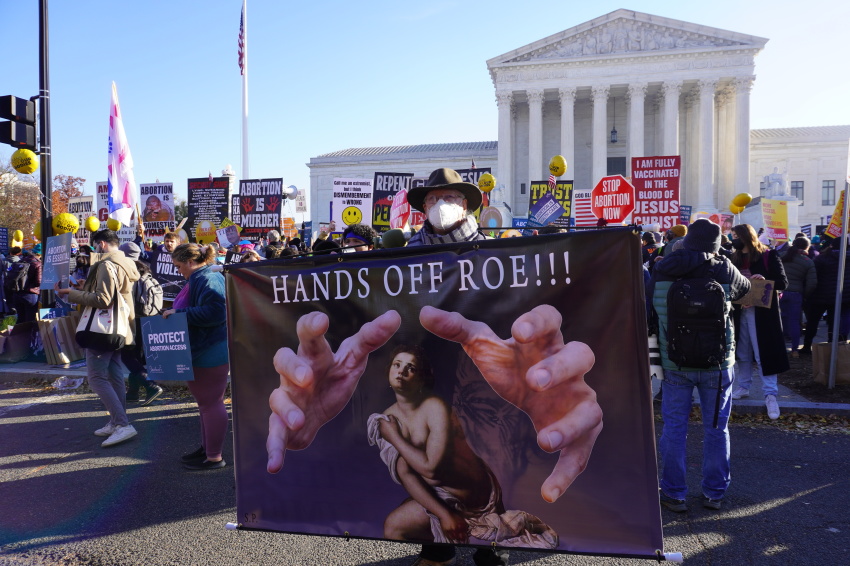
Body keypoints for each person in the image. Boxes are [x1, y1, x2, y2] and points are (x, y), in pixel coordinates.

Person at [268, 168, 603, 566]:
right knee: (434, 505)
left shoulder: (497, 255)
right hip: (427, 379)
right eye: (432, 199)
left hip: (487, 388)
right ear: (423, 207)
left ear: (468, 204)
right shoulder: (400, 258)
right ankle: (442, 546)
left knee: (481, 496)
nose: (441, 206)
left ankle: (487, 550)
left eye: (452, 198)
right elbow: (363, 310)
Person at [369, 345, 557, 551]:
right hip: (442, 494)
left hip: (473, 496)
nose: (401, 371)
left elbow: (430, 468)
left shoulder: (433, 408)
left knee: (396, 526)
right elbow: (407, 475)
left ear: (421, 378)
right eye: (397, 365)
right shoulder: (387, 419)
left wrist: (394, 437)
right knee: (396, 526)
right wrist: (443, 513)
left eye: (410, 367)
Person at [649, 219, 750, 512]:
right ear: (716, 245)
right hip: (718, 364)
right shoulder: (724, 269)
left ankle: (674, 493)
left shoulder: (663, 268)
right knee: (717, 429)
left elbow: (648, 308)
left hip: (674, 362)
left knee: (674, 428)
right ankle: (714, 493)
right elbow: (744, 291)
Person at [55, 229, 140, 447]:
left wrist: (70, 294)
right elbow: (111, 292)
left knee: (96, 377)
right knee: (114, 375)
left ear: (101, 244)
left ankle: (122, 424)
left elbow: (103, 299)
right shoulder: (125, 262)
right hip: (118, 327)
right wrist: (83, 289)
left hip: (102, 330)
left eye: (95, 246)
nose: (94, 250)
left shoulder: (105, 265)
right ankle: (117, 422)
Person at [162, 243, 229, 471]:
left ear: (191, 262)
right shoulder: (202, 275)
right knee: (206, 404)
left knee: (210, 404)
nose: (178, 271)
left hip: (210, 350)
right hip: (205, 348)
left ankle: (214, 457)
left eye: (179, 266)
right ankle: (208, 448)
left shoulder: (207, 278)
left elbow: (217, 311)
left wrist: (179, 313)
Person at [729, 224, 789, 420]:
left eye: (736, 235)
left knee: (765, 352)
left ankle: (770, 394)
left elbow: (782, 282)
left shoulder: (768, 255)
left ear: (747, 236)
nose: (733, 238)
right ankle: (743, 386)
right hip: (739, 312)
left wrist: (763, 280)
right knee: (742, 351)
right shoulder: (733, 257)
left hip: (763, 313)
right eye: (732, 235)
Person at [118, 241, 164, 405]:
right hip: (145, 320)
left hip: (132, 320)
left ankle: (150, 385)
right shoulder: (144, 268)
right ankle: (133, 393)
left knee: (127, 356)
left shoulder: (127, 271)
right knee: (135, 357)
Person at [801, 236, 850, 354]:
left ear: (832, 245)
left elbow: (813, 276)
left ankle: (807, 346)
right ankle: (832, 347)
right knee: (834, 323)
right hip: (842, 296)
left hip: (820, 296)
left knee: (813, 322)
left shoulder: (822, 258)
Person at [780, 237, 816, 357]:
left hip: (778, 292)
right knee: (795, 322)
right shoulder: (808, 261)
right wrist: (804, 294)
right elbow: (812, 283)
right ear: (807, 247)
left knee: (777, 321)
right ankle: (795, 350)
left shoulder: (781, 255)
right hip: (796, 294)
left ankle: (778, 348)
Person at [9, 248, 42, 323]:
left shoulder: (20, 261)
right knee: (30, 320)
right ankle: (28, 334)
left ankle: (19, 334)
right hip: (30, 295)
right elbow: (38, 282)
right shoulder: (37, 263)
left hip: (17, 293)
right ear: (39, 254)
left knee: (20, 319)